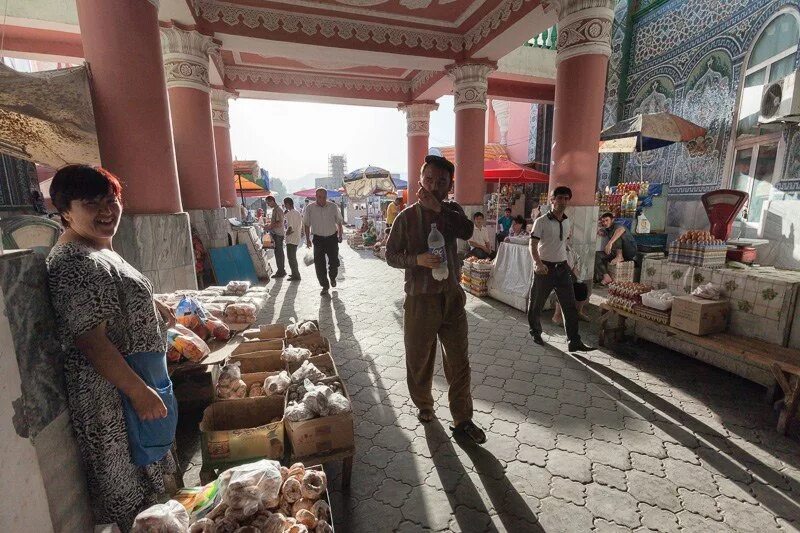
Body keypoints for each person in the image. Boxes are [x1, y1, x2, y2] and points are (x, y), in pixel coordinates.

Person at [45, 165, 178, 531]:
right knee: (134, 497)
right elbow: (90, 339)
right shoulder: (75, 263)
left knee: (153, 482)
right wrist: (139, 392)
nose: (106, 209)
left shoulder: (97, 248)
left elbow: (115, 298)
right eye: (91, 202)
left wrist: (152, 304)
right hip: (115, 403)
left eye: (111, 199)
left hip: (137, 385)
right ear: (65, 211)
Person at [385, 154, 487, 444]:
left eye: (441, 182)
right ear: (420, 180)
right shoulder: (405, 217)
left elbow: (467, 231)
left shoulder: (452, 211)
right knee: (419, 359)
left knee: (459, 361)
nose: (434, 185)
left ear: (449, 185)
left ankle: (462, 419)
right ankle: (425, 405)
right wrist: (416, 259)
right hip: (420, 300)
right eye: (429, 179)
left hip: (452, 298)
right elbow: (390, 255)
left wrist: (439, 209)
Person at [528, 186, 592, 352]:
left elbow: (563, 244)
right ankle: (535, 331)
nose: (562, 202)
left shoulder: (566, 221)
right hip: (545, 268)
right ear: (552, 200)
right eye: (559, 198)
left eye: (566, 198)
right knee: (537, 303)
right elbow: (532, 244)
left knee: (569, 305)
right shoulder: (541, 221)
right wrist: (538, 263)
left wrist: (570, 265)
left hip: (562, 268)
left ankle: (574, 341)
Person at [303, 188, 344, 296]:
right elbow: (306, 224)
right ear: (316, 197)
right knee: (319, 265)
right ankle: (325, 286)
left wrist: (340, 234)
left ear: (327, 197)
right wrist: (307, 239)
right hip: (318, 239)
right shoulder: (310, 208)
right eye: (319, 197)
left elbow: (339, 222)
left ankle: (333, 277)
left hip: (332, 238)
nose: (322, 199)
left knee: (334, 262)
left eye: (324, 197)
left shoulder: (333, 207)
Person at [552, 242, 592, 324]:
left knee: (582, 287)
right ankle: (556, 316)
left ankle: (578, 313)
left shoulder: (570, 250)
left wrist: (577, 279)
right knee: (563, 286)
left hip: (568, 275)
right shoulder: (555, 248)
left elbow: (575, 266)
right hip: (555, 275)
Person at [595, 212, 638, 285]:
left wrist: (610, 243)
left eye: (606, 220)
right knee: (597, 255)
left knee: (616, 234)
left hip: (630, 251)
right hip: (617, 252)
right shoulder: (608, 229)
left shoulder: (617, 226)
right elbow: (604, 232)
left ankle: (619, 256)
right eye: (603, 221)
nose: (604, 223)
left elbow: (620, 230)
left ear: (612, 220)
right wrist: (600, 231)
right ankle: (606, 277)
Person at [264, 196, 286, 278]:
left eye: (268, 202)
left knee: (279, 253)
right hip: (276, 234)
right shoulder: (275, 210)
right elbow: (276, 223)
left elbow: (279, 223)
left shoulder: (278, 210)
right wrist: (270, 225)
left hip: (278, 234)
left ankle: (281, 271)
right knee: (278, 253)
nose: (268, 204)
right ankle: (281, 270)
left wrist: (269, 227)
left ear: (272, 201)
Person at [283, 197, 303, 281]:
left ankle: (296, 275)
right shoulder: (297, 212)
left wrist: (284, 234)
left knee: (291, 258)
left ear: (287, 204)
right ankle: (294, 273)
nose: (284, 206)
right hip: (296, 237)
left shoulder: (290, 214)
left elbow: (290, 228)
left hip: (291, 239)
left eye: (284, 204)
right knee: (292, 257)